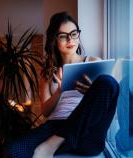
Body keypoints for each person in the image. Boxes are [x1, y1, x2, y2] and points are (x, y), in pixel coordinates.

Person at [7, 12, 119, 158]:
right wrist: (60, 91)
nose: (70, 39)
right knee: (14, 151)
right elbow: (46, 111)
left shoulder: (93, 61)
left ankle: (55, 142)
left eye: (74, 34)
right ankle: (60, 139)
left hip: (87, 131)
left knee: (108, 82)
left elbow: (109, 104)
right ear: (54, 40)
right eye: (63, 36)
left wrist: (91, 94)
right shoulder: (48, 72)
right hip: (56, 125)